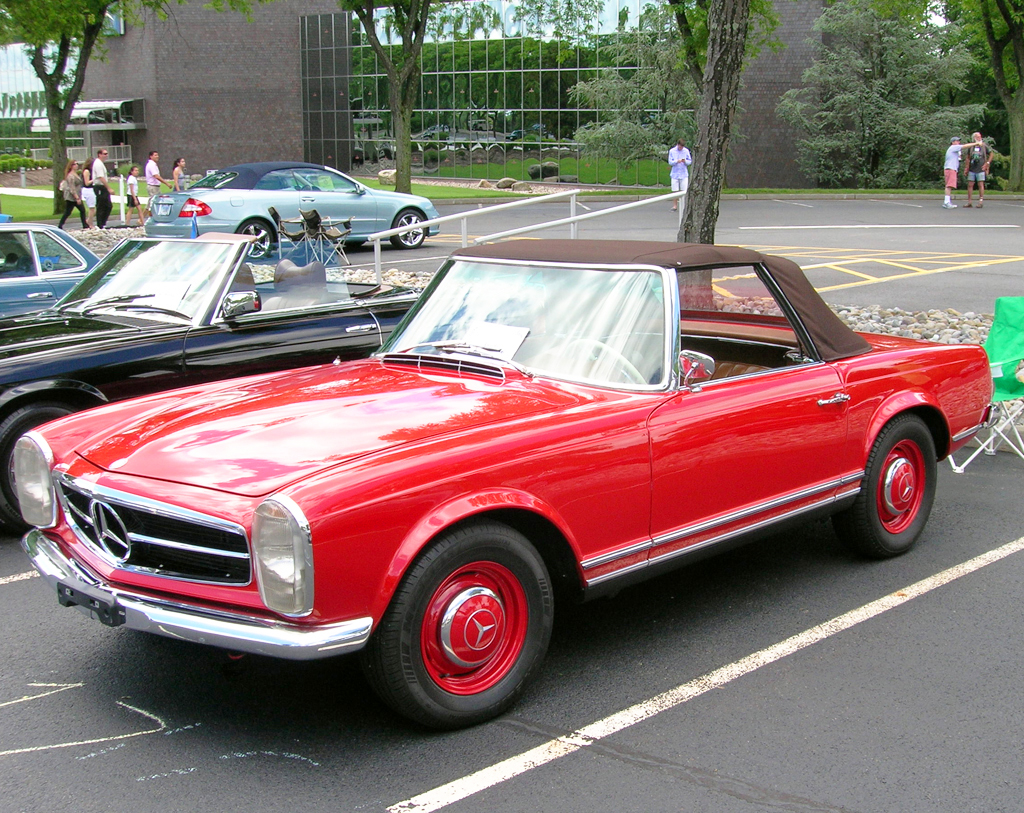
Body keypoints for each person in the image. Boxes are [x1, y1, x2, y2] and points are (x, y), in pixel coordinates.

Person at [57, 159, 90, 230]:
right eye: (74, 164)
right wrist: (77, 198)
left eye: (77, 164)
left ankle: (60, 225)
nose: (76, 165)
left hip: (76, 196)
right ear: (71, 166)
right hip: (72, 197)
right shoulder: (70, 176)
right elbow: (72, 188)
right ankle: (85, 225)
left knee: (68, 212)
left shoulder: (76, 174)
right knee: (81, 210)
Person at [965, 131, 991, 208]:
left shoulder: (984, 146)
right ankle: (969, 201)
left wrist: (987, 163)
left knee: (980, 184)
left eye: (980, 137)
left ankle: (981, 200)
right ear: (974, 138)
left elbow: (991, 154)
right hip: (972, 168)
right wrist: (966, 167)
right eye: (977, 137)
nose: (979, 138)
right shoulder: (971, 146)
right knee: (970, 184)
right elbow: (968, 157)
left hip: (981, 168)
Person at [668, 137, 692, 212]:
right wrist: (676, 161)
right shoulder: (672, 151)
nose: (681, 148)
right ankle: (675, 206)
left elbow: (689, 161)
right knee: (675, 190)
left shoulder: (686, 151)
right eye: (680, 146)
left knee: (684, 190)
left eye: (682, 147)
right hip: (675, 173)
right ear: (678, 145)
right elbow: (670, 162)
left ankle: (684, 205)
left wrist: (685, 161)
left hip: (683, 173)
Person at [143, 150, 170, 218]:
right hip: (153, 187)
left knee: (152, 203)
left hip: (156, 187)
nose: (157, 156)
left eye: (157, 155)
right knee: (153, 204)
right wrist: (166, 183)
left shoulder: (153, 164)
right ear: (150, 156)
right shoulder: (151, 165)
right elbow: (156, 176)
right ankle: (147, 218)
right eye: (155, 155)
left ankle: (141, 218)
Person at [90, 148, 112, 228]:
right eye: (104, 154)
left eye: (107, 154)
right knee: (101, 206)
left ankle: (103, 223)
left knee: (108, 206)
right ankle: (100, 224)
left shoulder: (101, 163)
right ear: (99, 154)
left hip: (102, 187)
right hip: (99, 187)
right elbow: (101, 177)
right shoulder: (98, 164)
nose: (106, 155)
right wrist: (108, 188)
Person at [942, 137, 963, 209]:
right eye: (957, 141)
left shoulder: (955, 150)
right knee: (949, 186)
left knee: (949, 186)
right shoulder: (953, 147)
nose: (958, 142)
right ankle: (946, 202)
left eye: (959, 141)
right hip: (950, 168)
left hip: (951, 168)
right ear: (953, 142)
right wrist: (976, 143)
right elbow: (965, 146)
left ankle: (947, 201)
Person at [81, 161, 96, 226]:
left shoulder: (92, 171)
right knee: (92, 207)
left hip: (92, 189)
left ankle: (88, 221)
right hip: (88, 189)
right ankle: (90, 223)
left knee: (93, 208)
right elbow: (86, 183)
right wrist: (94, 179)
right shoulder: (87, 171)